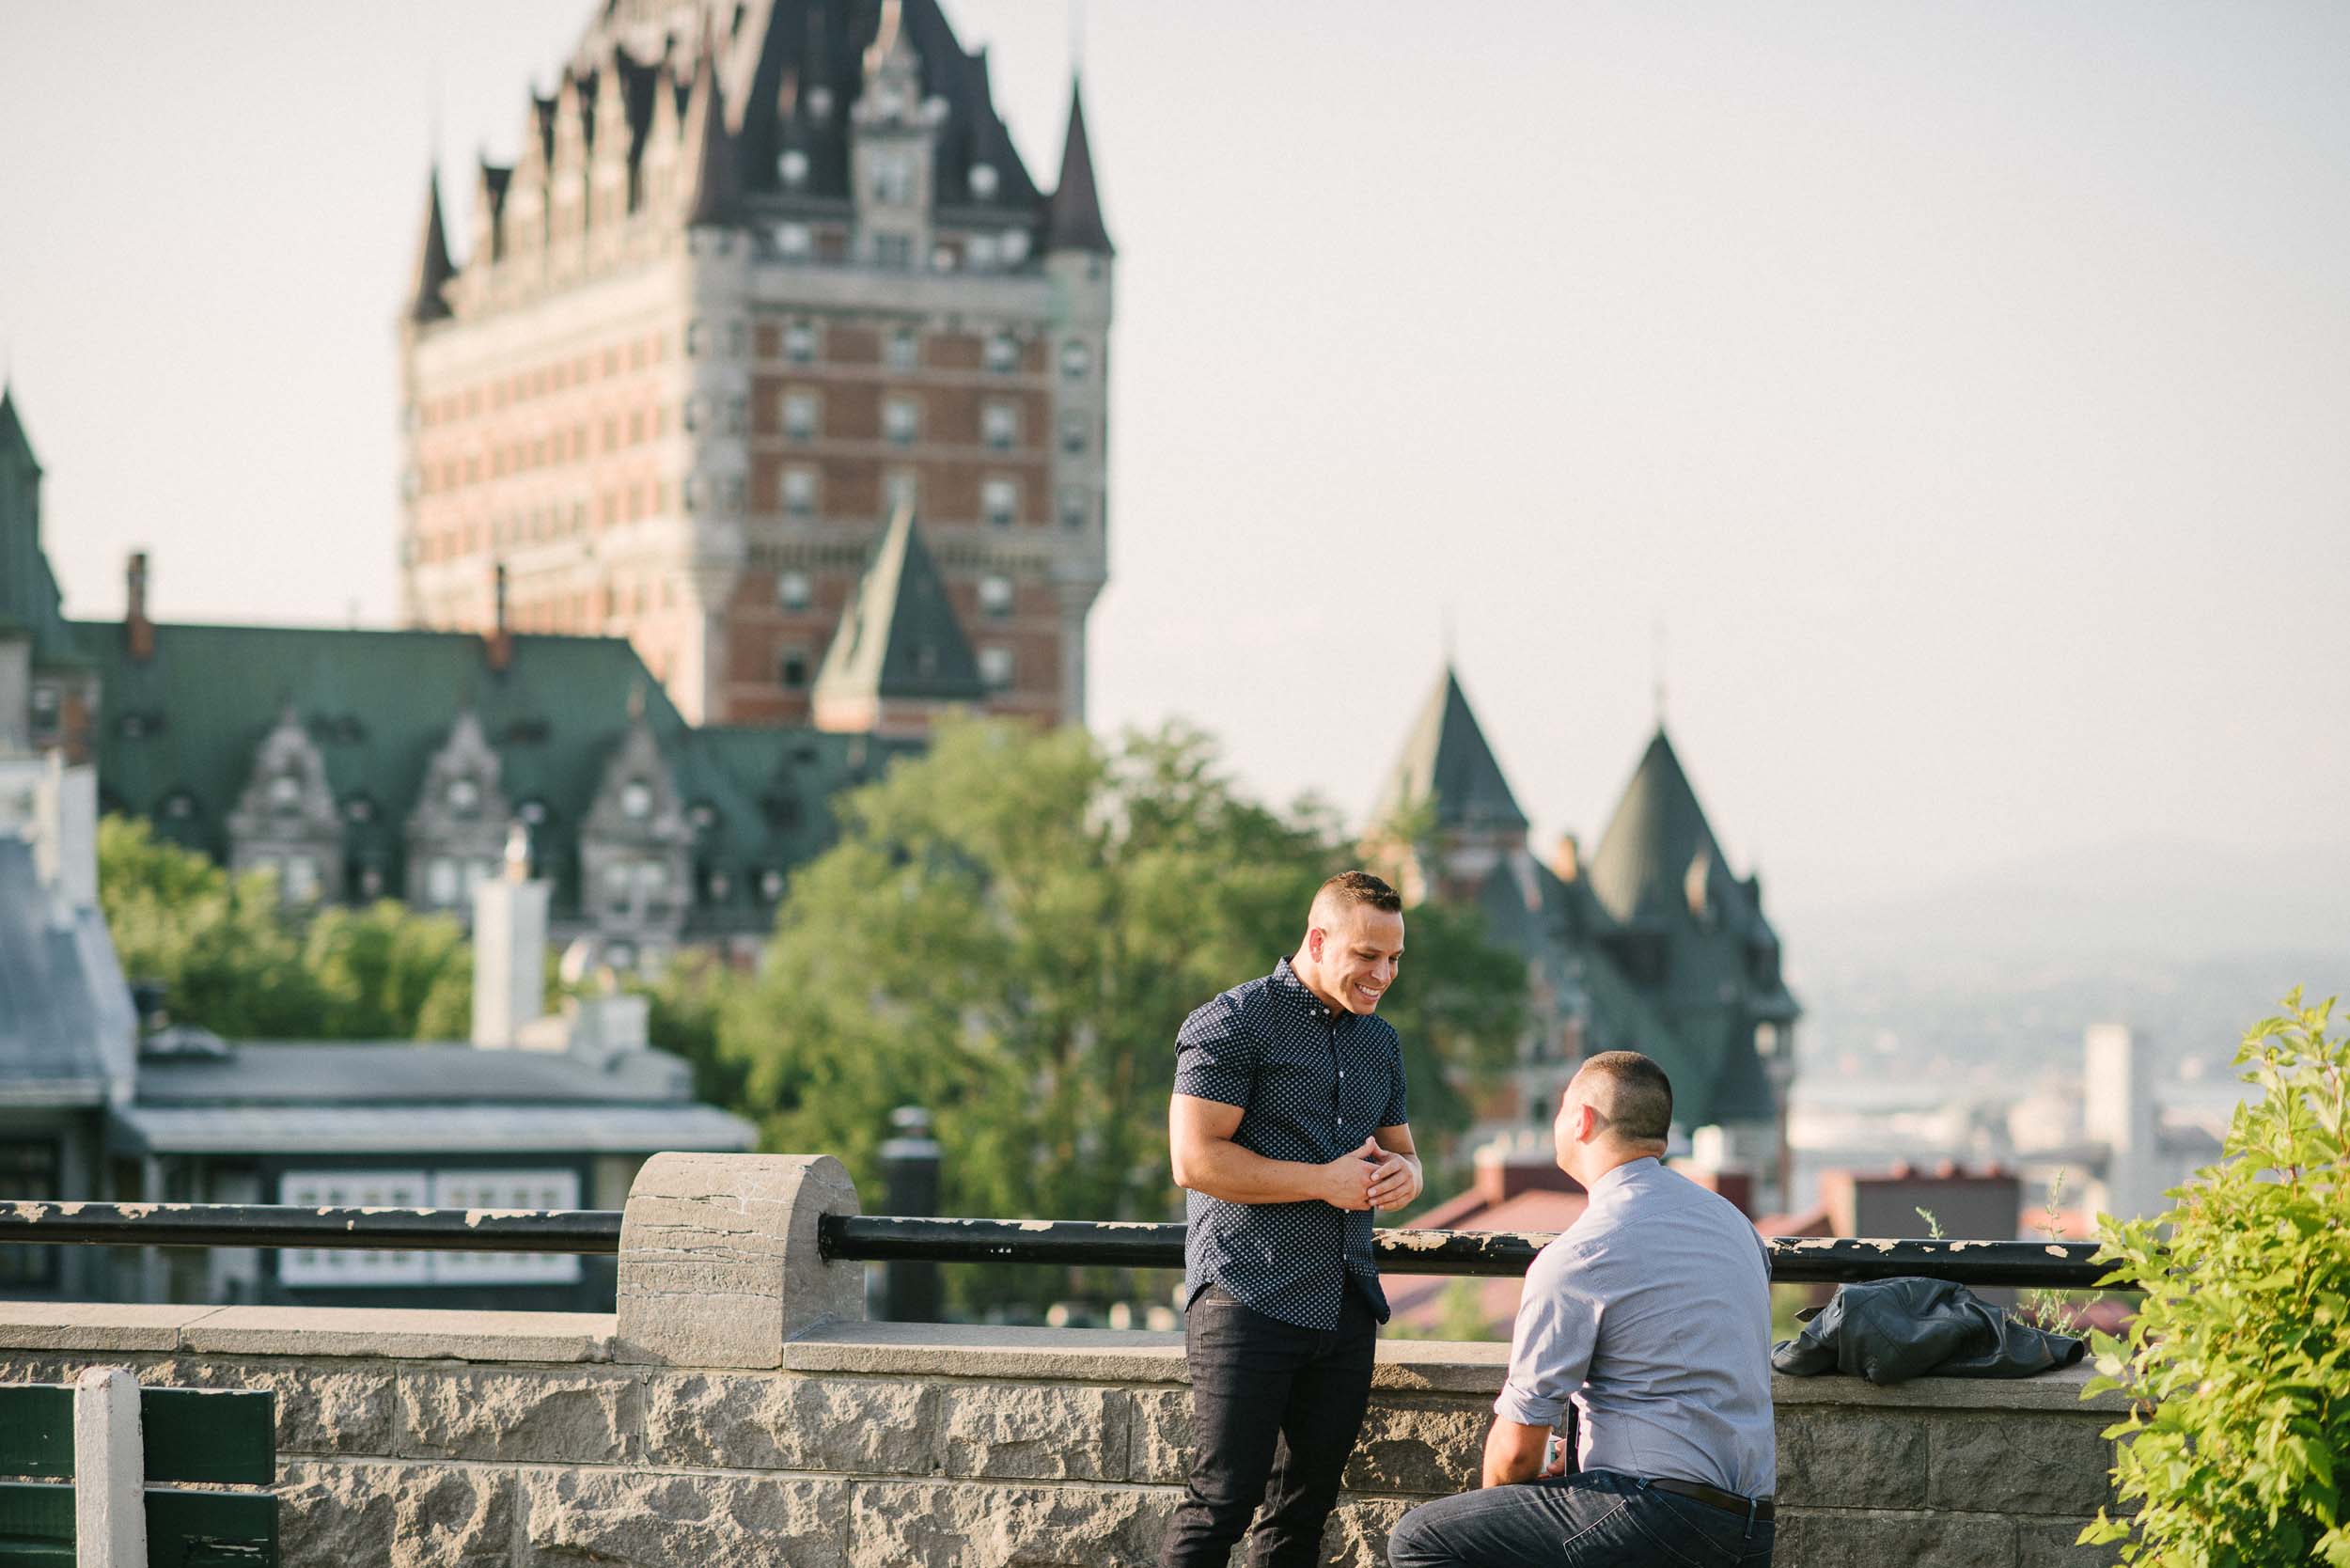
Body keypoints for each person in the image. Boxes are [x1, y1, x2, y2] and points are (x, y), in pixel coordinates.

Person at [1386, 1051, 1778, 1567]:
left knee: (1419, 1539)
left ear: (1582, 1120)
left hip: (1652, 1516)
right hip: (1750, 1528)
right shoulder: (1736, 1226)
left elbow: (1515, 1454)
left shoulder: (1582, 1253)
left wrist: (1501, 1515)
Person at [1160, 870, 1424, 1568]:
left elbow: (1403, 1153)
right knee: (1220, 1503)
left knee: (1301, 1520)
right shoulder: (1232, 1021)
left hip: (1345, 1305)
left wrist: (1410, 1175)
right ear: (1318, 939)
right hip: (1247, 1297)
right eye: (1367, 955)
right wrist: (1324, 1182)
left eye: (1394, 958)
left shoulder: (1380, 1042)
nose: (1383, 975)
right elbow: (1194, 1160)